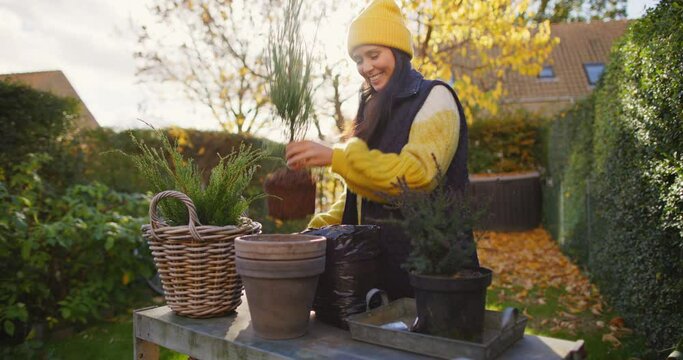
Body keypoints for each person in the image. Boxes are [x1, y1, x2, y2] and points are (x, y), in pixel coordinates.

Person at [285, 0, 478, 300]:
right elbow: (366, 194)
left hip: (434, 276)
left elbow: (417, 176)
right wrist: (319, 229)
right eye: (358, 59)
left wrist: (336, 157)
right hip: (382, 276)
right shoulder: (373, 111)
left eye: (373, 55)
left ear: (398, 53)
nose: (365, 68)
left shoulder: (435, 98)